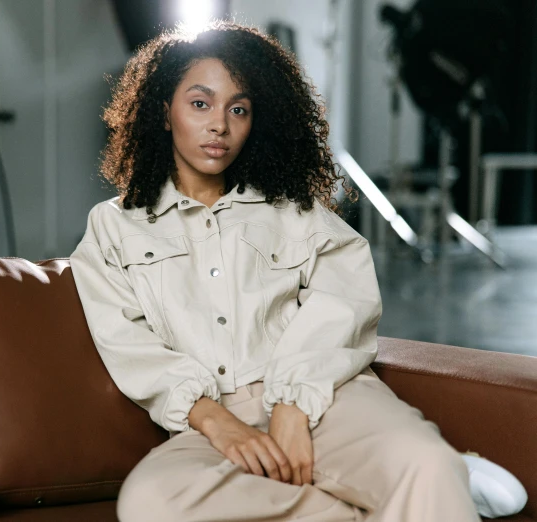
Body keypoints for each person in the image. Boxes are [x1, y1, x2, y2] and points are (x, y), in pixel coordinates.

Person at [69, 21, 503, 521]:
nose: (220, 125)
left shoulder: (292, 211)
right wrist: (213, 419)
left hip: (323, 398)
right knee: (151, 503)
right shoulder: (113, 227)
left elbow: (345, 303)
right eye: (200, 103)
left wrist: (292, 405)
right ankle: (408, 497)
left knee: (424, 466)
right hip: (210, 426)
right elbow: (125, 342)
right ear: (164, 111)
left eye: (239, 109)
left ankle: (437, 477)